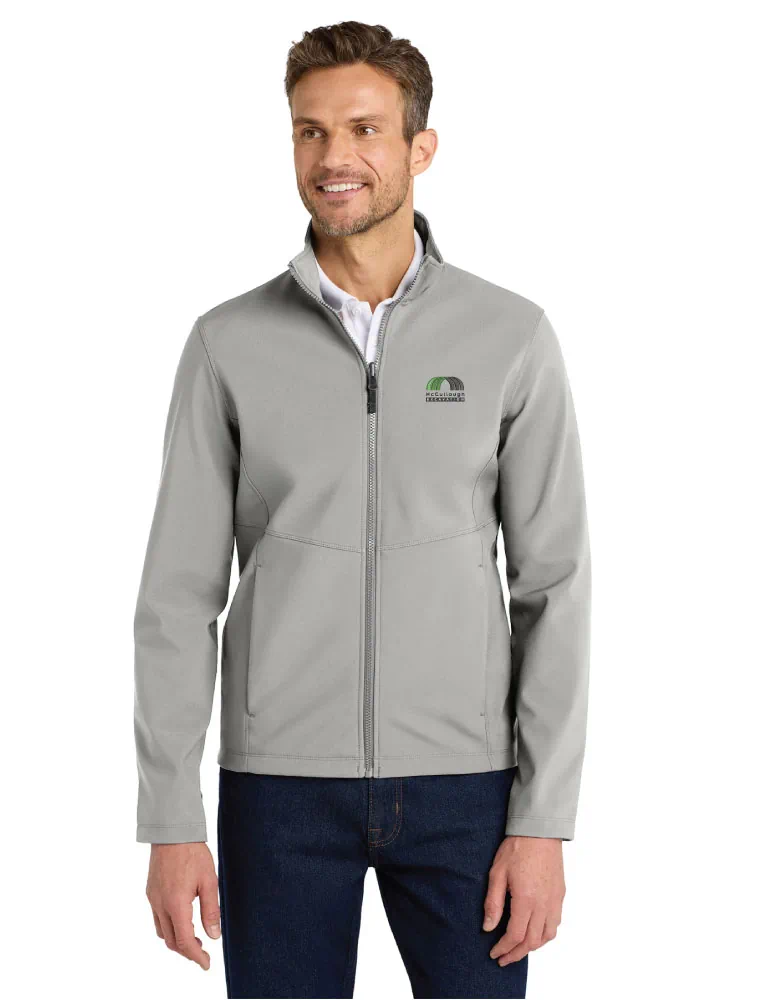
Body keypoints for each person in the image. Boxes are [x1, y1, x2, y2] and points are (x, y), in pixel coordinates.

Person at [135, 20, 591, 999]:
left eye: (363, 129)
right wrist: (170, 819)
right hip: (279, 794)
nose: (332, 156)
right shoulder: (226, 344)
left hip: (467, 793)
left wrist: (543, 819)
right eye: (310, 131)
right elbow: (175, 598)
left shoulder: (509, 336)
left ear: (421, 148)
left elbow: (553, 586)